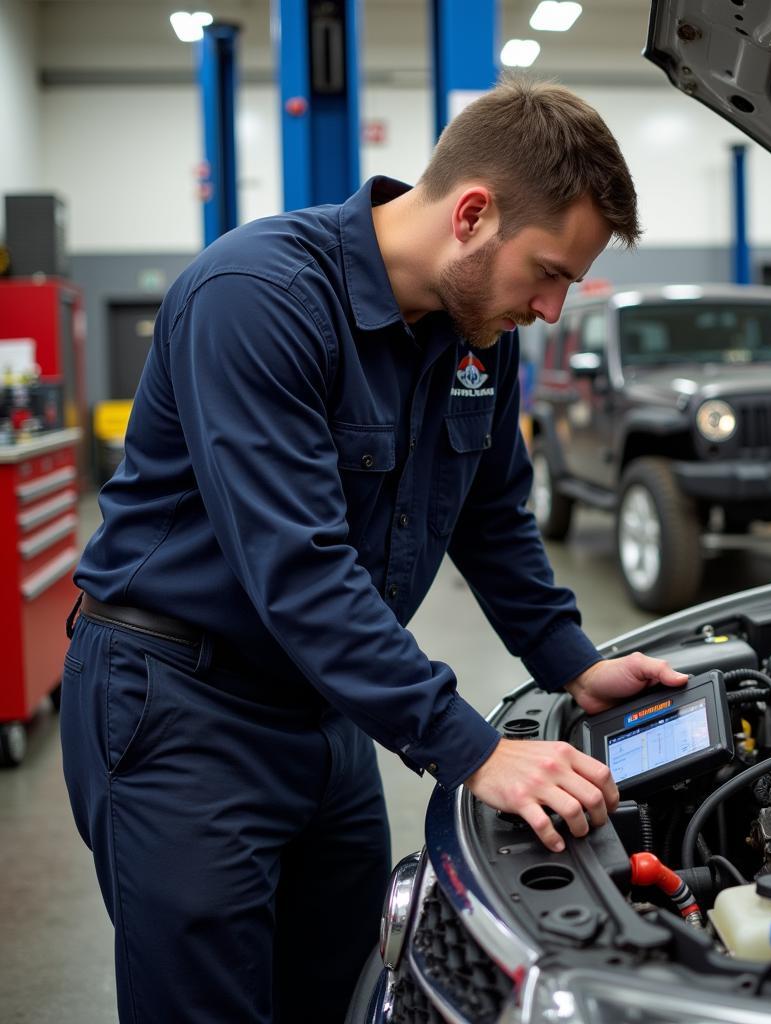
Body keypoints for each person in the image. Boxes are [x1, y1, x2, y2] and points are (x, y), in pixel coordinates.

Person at [61, 77, 687, 1023]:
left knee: (349, 992)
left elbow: (492, 516)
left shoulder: (478, 332)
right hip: (178, 708)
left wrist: (573, 664)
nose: (554, 309)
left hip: (326, 711)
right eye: (549, 272)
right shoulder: (258, 298)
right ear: (473, 213)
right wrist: (473, 750)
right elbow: (300, 569)